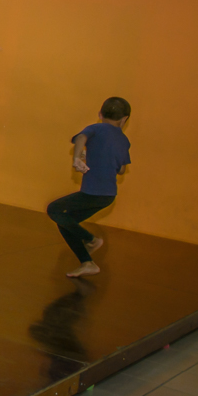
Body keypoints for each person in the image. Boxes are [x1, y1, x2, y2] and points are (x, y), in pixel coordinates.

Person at [47, 97, 131, 279]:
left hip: (93, 193)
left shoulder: (96, 128)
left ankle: (92, 240)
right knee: (65, 221)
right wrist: (93, 155)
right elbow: (122, 169)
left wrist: (77, 158)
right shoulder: (124, 140)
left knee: (53, 209)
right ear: (124, 119)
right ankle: (87, 263)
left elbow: (81, 138)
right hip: (108, 196)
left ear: (100, 114)